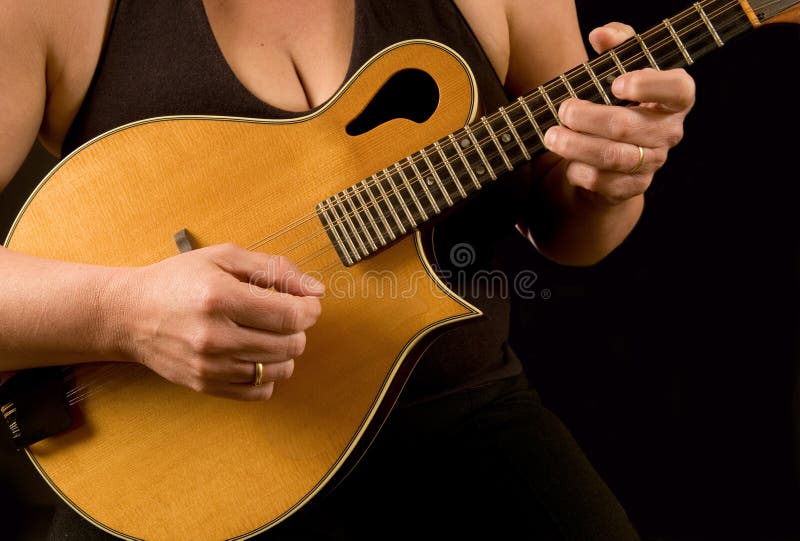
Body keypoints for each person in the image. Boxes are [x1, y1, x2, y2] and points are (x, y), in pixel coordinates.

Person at [0, 0, 694, 539]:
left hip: (465, 436)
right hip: (168, 487)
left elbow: (570, 225)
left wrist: (608, 181)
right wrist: (123, 312)